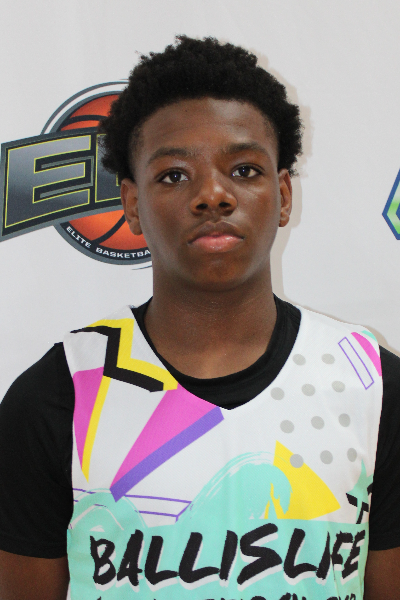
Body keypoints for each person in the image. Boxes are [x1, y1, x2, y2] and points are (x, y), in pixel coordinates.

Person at [0, 35, 399, 600]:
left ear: (284, 195)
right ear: (132, 204)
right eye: (174, 175)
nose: (213, 195)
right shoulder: (57, 397)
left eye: (245, 169)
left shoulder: (372, 388)